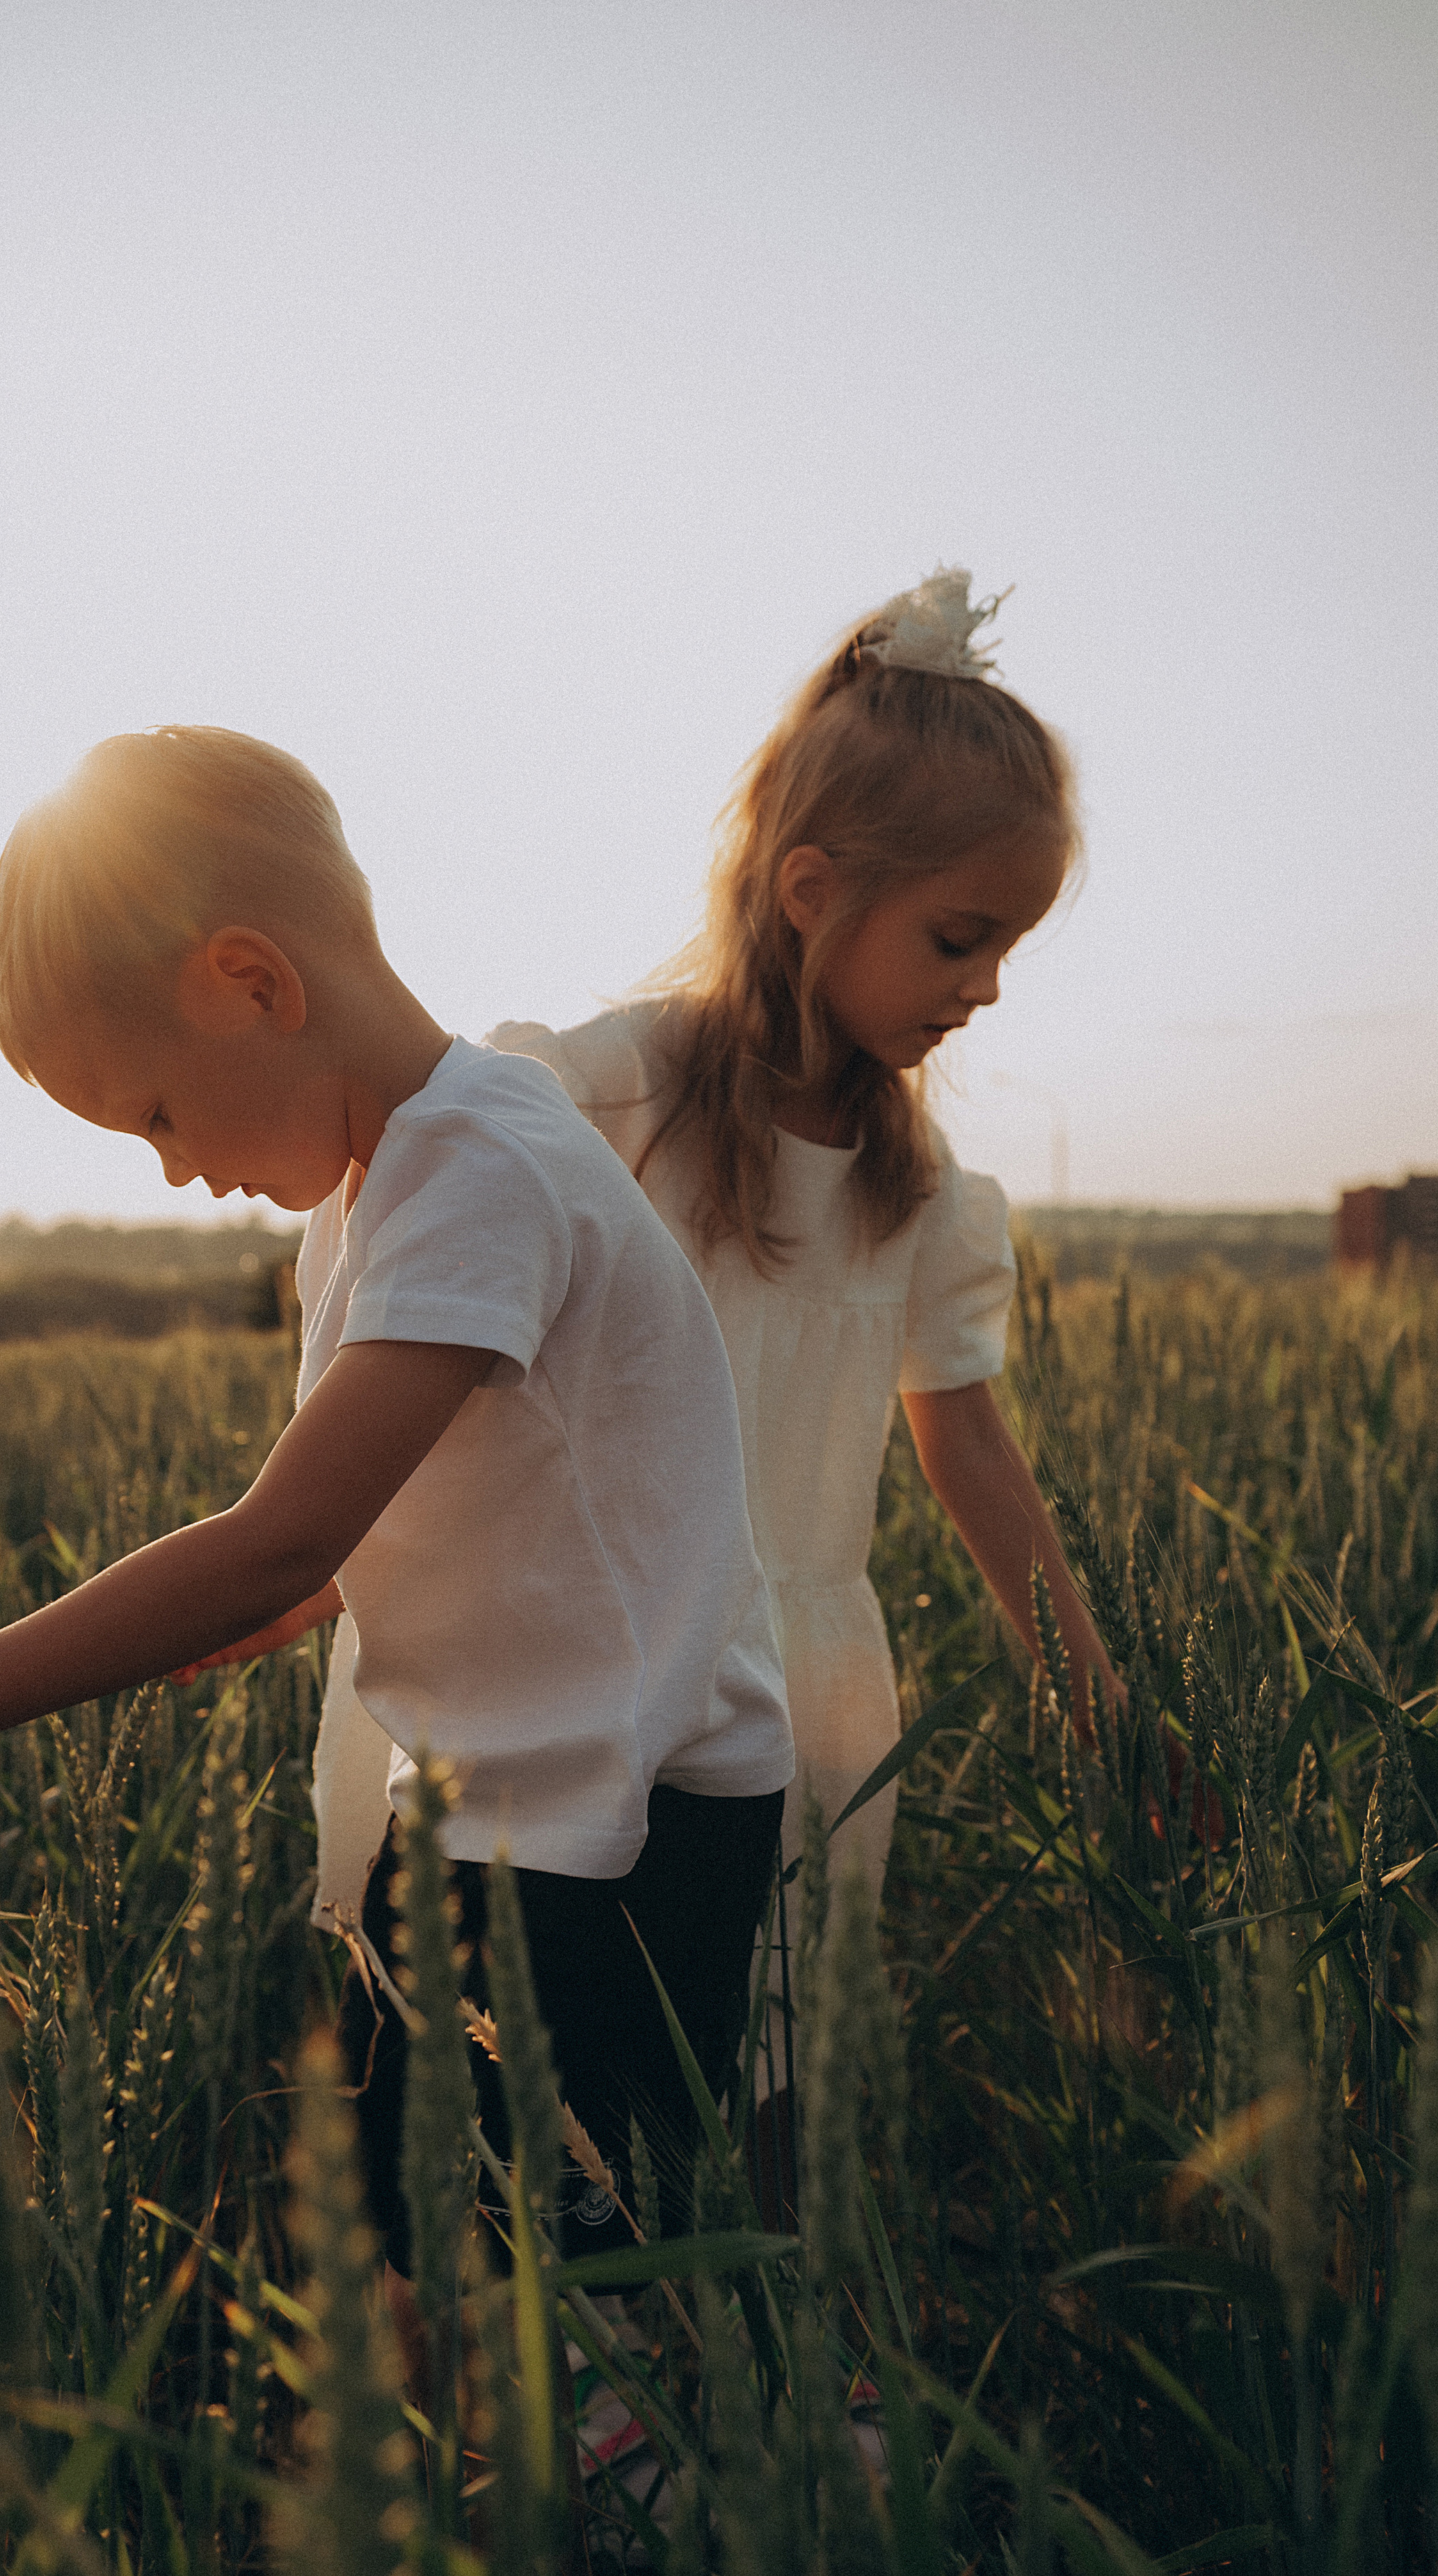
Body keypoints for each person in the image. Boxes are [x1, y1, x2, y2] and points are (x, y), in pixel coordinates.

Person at [0, 724, 795, 2269]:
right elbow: (352, 1541)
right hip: (497, 1796)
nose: (175, 1172)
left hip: (616, 1823)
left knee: (577, 2263)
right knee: (417, 2221)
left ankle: (709, 2476)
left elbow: (281, 1536)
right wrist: (280, 1597)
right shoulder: (381, 1186)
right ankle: (519, 2474)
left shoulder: (480, 1167)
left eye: (159, 1112)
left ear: (253, 982)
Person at [310, 569, 1123, 2142]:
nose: (989, 985)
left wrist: (1091, 1699)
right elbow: (404, 1309)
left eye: (1006, 944)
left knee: (727, 2094)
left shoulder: (924, 1198)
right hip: (563, 1666)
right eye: (959, 936)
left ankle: (697, 2374)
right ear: (810, 886)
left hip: (791, 1693)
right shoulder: (583, 1105)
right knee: (485, 2101)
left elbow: (968, 1451)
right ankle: (487, 2379)